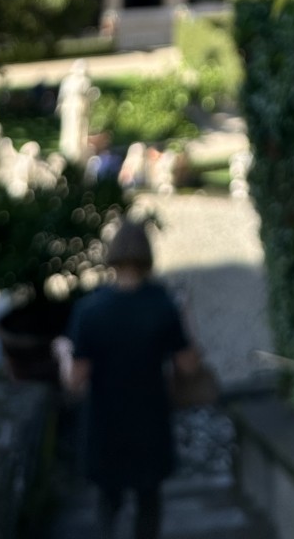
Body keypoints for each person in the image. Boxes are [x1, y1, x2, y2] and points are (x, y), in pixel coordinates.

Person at [58, 220, 199, 539]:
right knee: (149, 500)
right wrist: (186, 313)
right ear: (147, 256)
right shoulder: (162, 305)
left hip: (106, 423)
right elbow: (189, 366)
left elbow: (75, 381)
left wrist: (62, 352)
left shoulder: (89, 310)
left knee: (108, 501)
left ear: (114, 255)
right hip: (150, 421)